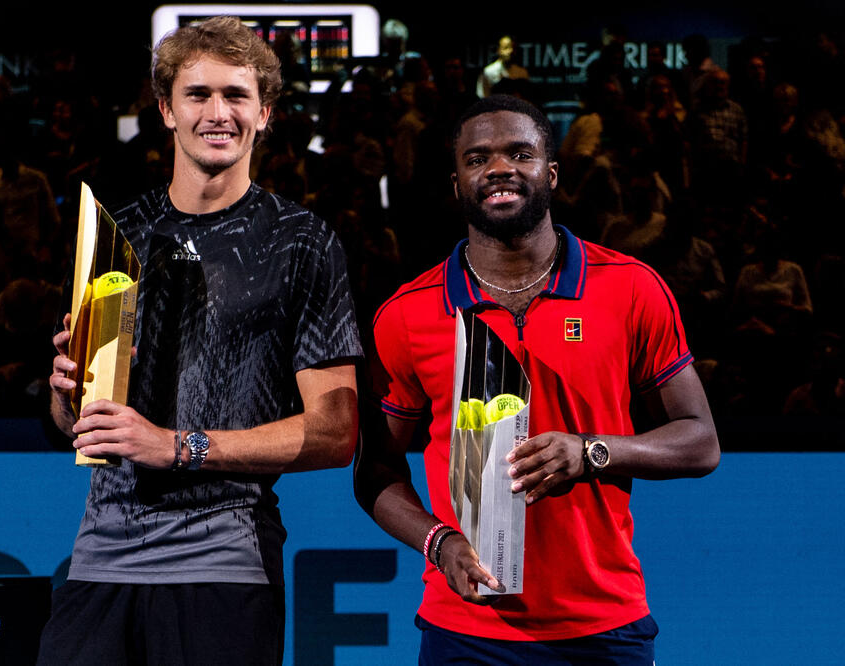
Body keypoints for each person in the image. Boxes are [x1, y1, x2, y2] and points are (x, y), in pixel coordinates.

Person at [38, 16, 362, 665]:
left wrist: (174, 446)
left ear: (265, 113)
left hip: (225, 563)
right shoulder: (115, 234)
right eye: (199, 94)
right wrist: (66, 393)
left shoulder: (302, 242)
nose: (219, 112)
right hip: (102, 558)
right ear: (166, 109)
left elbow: (337, 433)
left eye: (237, 95)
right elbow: (74, 425)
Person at [354, 95, 719, 664]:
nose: (499, 168)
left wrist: (591, 451)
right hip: (465, 631)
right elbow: (374, 468)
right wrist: (439, 542)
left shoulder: (631, 288)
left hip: (603, 625)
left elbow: (700, 441)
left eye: (519, 153)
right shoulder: (408, 313)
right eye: (477, 159)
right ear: (456, 183)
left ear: (550, 174)